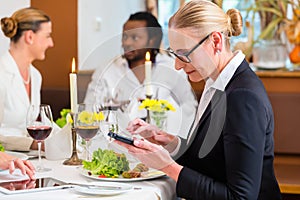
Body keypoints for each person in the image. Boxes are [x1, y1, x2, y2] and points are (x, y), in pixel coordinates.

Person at [115, 1, 281, 199]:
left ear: (216, 42)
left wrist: (168, 167)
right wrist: (169, 141)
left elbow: (241, 197)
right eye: (174, 54)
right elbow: (214, 159)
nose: (177, 65)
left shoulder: (242, 97)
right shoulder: (217, 83)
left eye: (184, 54)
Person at [84, 11, 197, 138]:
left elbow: (188, 108)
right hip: (118, 143)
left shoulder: (172, 68)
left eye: (135, 38)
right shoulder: (106, 71)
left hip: (163, 143)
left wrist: (177, 143)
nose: (126, 43)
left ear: (152, 40)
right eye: (124, 37)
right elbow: (90, 110)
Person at [0, 7, 54, 151]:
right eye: (47, 36)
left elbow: (37, 123)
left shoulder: (35, 76)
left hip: (29, 160)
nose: (51, 43)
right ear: (30, 37)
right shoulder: (1, 75)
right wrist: (32, 144)